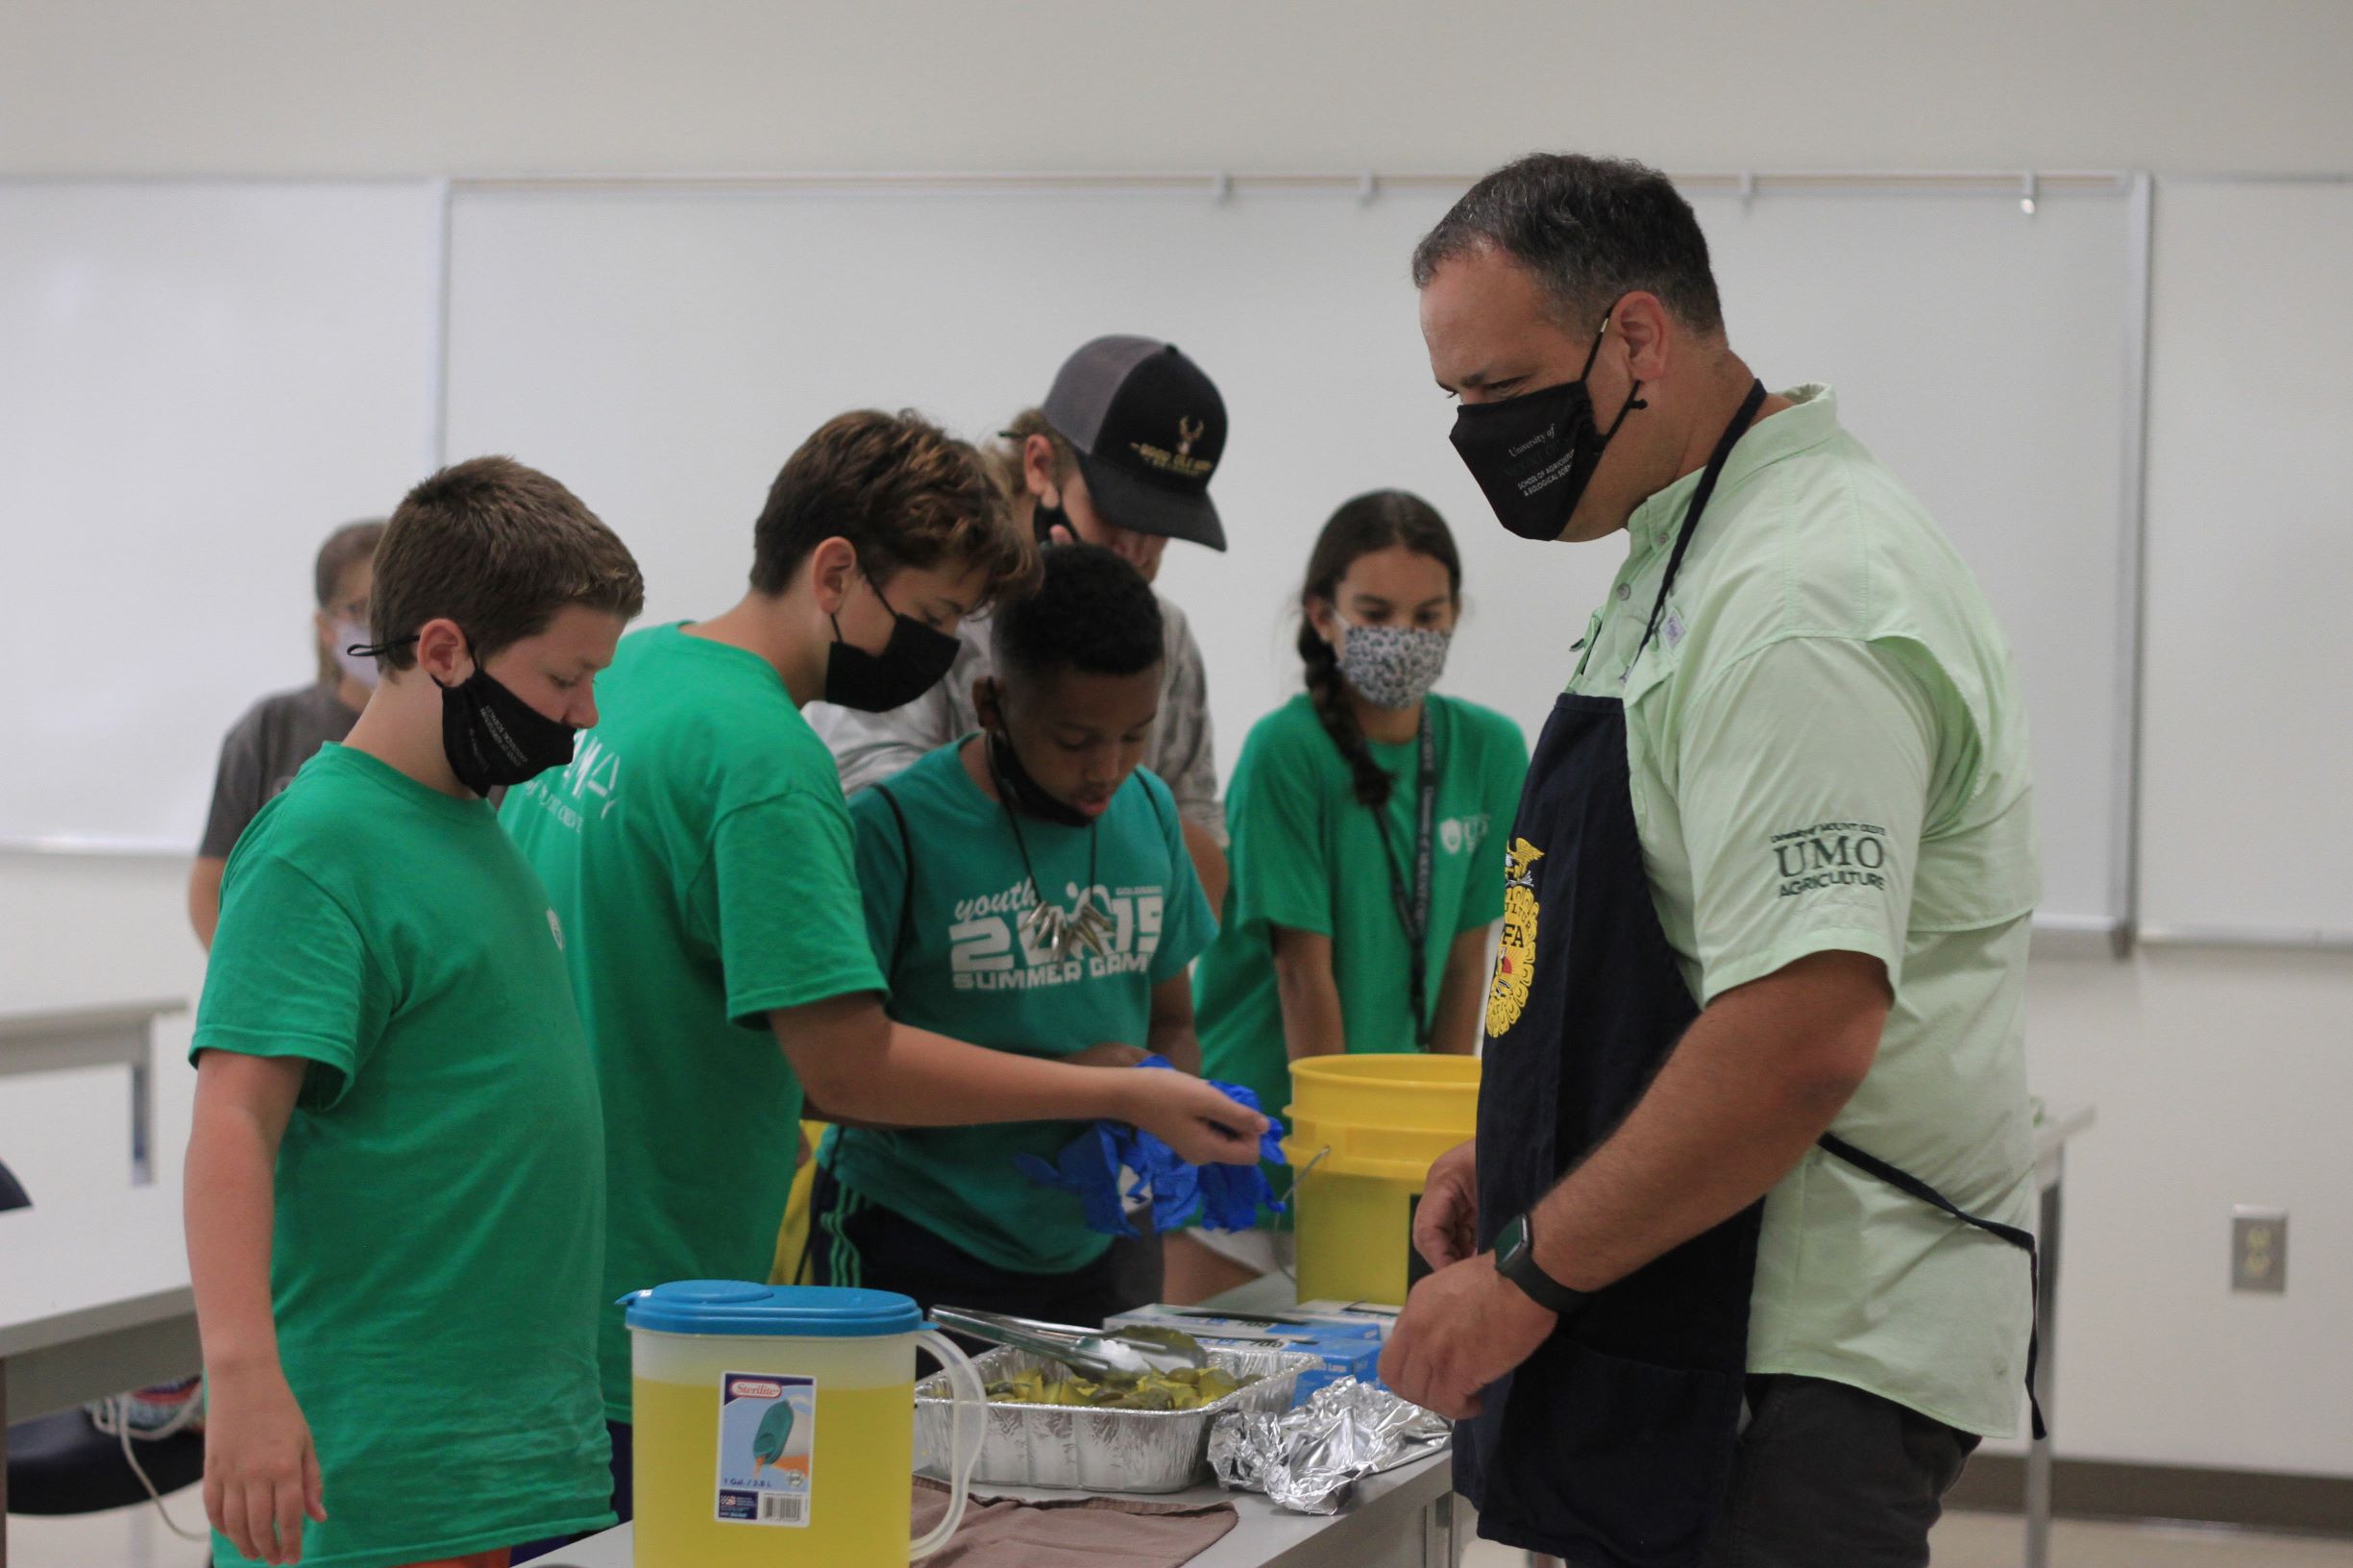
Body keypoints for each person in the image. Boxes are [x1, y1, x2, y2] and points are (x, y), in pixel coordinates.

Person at [1377, 153, 2043, 1568]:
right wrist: (1526, 1160)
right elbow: (1669, 952)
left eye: (1498, 392)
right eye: (1457, 404)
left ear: (1634, 337)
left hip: (1792, 1351)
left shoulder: (1798, 597)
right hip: (1698, 1309)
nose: (1477, 438)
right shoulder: (1690, 551)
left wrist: (1529, 1272)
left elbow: (1799, 1033)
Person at [502, 410, 1265, 1526]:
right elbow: (847, 1071)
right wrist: (1118, 1087)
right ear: (836, 571)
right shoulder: (770, 765)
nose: (945, 652)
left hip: (549, 1258)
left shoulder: (636, 674)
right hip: (662, 1292)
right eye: (938, 614)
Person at [185, 457, 645, 1568]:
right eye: (563, 679)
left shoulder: (477, 825)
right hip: (371, 1464)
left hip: (483, 1447)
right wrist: (243, 1379)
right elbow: (233, 1121)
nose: (586, 717)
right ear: (443, 651)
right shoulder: (320, 845)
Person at [809, 543, 1220, 1326]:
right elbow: (830, 1083)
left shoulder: (1151, 813)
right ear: (992, 702)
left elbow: (1172, 1022)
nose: (1107, 768)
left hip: (1097, 1242)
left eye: (1134, 736)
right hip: (914, 1235)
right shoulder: (895, 830)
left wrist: (1162, 1128)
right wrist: (1086, 1082)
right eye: (1073, 740)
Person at [1177, 492, 1528, 1299]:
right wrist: (1327, 1160)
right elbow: (1304, 973)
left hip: (1385, 1149)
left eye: (1426, 614)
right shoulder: (1285, 751)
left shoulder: (1490, 748)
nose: (1402, 637)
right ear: (1323, 615)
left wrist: (1444, 1148)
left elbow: (1469, 957)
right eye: (1374, 612)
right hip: (1265, 1132)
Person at [810, 335, 1233, 913]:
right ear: (1039, 465)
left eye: (1163, 526)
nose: (1137, 549)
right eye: (1117, 511)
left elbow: (1202, 836)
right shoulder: (935, 609)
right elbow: (864, 802)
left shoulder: (1165, 633)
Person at [188, 519, 384, 947]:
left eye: (398, 604)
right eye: (364, 608)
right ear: (327, 625)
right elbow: (210, 884)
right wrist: (251, 985)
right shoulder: (271, 729)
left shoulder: (452, 734)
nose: (384, 625)